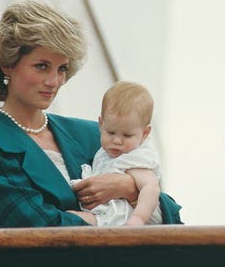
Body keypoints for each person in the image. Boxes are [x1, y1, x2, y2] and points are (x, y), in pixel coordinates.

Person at [0, 0, 181, 228]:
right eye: (41, 66)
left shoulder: (93, 134)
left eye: (62, 68)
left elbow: (170, 215)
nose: (53, 81)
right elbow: (27, 222)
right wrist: (102, 221)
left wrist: (128, 187)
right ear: (7, 64)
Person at [70, 81, 163, 226]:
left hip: (124, 216)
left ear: (145, 133)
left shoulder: (136, 159)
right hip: (104, 208)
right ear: (101, 124)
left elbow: (151, 188)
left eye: (127, 135)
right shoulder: (107, 151)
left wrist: (138, 218)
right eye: (111, 132)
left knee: (72, 220)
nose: (117, 141)